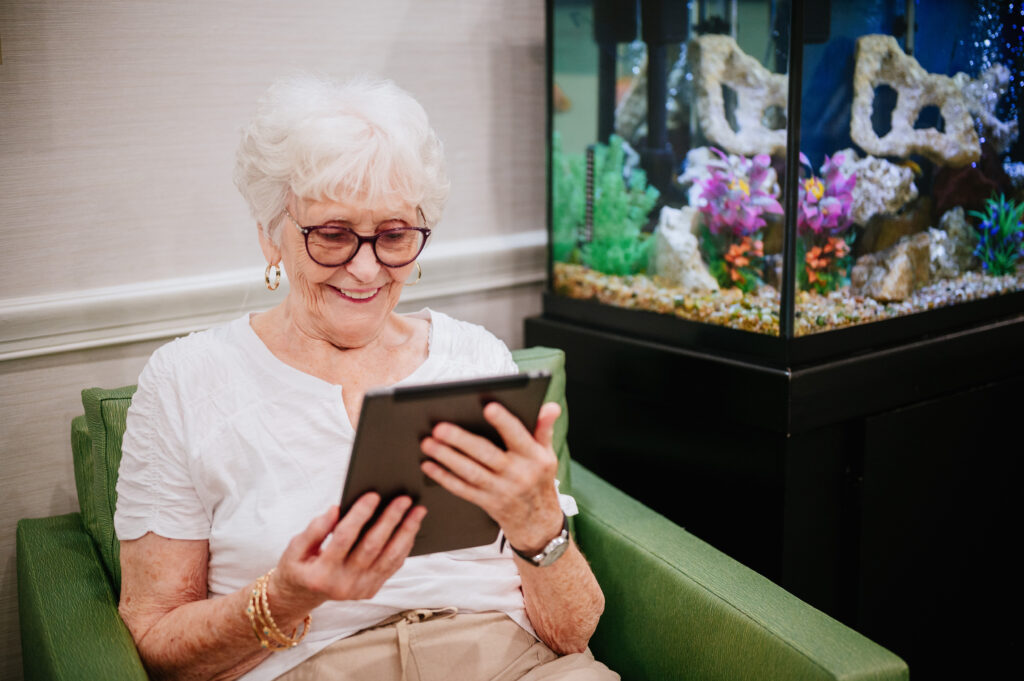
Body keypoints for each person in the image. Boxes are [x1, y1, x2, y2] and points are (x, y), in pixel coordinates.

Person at [113, 74, 616, 681]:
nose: (367, 267)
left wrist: (540, 525)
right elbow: (155, 641)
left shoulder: (474, 357)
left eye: (395, 234)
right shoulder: (185, 381)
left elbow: (573, 633)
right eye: (332, 234)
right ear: (272, 236)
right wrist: (287, 597)